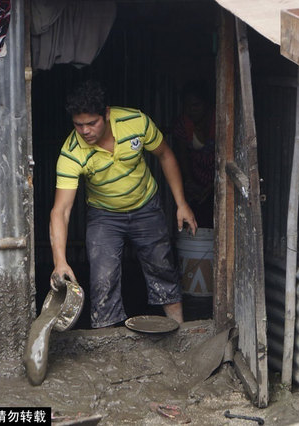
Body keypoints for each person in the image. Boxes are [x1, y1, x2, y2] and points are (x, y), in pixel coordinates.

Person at [49, 79, 198, 328]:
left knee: (162, 266)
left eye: (91, 123)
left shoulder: (135, 122)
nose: (85, 131)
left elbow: (165, 154)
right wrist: (59, 261)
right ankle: (106, 344)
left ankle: (179, 331)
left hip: (146, 207)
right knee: (102, 278)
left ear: (106, 114)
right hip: (104, 216)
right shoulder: (72, 152)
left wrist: (181, 203)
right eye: (78, 125)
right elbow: (61, 211)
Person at [172, 80, 216, 228]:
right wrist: (190, 182)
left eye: (196, 105)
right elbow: (182, 157)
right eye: (187, 106)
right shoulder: (183, 125)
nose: (191, 110)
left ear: (207, 104)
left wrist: (213, 185)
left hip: (218, 180)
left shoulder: (219, 122)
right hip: (196, 180)